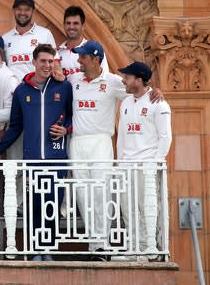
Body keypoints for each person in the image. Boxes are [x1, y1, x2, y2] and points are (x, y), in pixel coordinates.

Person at [0, 43, 73, 261]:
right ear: (34, 62)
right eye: (43, 61)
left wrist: (66, 129)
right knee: (34, 206)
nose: (47, 65)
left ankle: (48, 250)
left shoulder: (63, 87)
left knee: (53, 205)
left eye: (50, 61)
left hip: (56, 158)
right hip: (32, 160)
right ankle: (36, 250)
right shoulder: (21, 91)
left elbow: (74, 116)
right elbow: (16, 125)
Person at [66, 40, 128, 260]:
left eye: (83, 57)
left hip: (101, 141)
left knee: (101, 192)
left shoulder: (112, 82)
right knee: (83, 194)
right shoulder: (73, 79)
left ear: (95, 59)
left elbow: (136, 92)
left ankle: (103, 245)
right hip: (78, 141)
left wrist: (154, 90)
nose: (79, 60)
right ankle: (94, 245)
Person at [114, 62, 172, 262]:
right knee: (127, 208)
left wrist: (155, 163)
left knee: (146, 206)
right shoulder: (126, 103)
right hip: (127, 165)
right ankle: (133, 248)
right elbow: (121, 136)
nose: (124, 80)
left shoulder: (159, 103)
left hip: (146, 165)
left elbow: (165, 136)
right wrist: (120, 163)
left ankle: (149, 248)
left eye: (127, 77)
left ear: (138, 80)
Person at [3, 0, 56, 80]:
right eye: (19, 9)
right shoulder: (5, 38)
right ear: (13, 10)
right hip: (13, 91)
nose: (22, 13)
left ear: (33, 11)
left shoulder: (45, 34)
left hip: (37, 89)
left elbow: (55, 62)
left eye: (27, 9)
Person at [55, 6, 109, 76]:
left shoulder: (94, 50)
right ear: (64, 25)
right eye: (68, 23)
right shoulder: (57, 53)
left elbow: (105, 77)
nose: (71, 27)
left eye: (75, 23)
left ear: (83, 26)